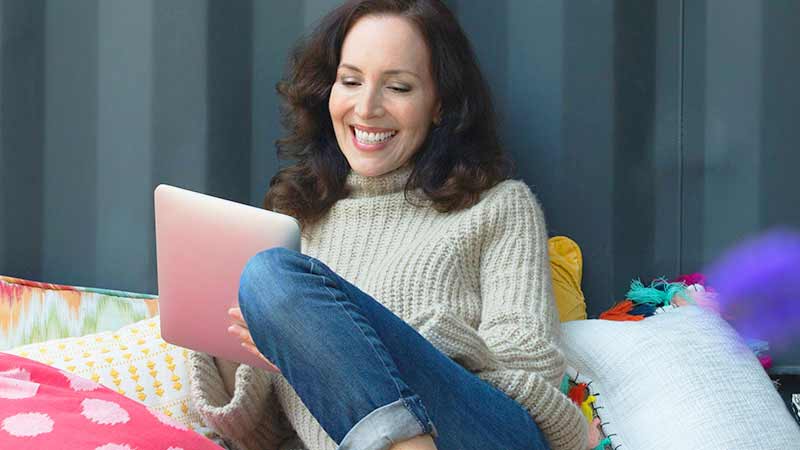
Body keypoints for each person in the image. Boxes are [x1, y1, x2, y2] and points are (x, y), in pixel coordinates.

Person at [188, 1, 588, 449]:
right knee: (264, 281)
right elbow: (267, 436)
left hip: (486, 432)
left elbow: (529, 365)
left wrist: (360, 343)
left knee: (270, 277)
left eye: (398, 87)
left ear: (439, 104)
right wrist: (260, 347)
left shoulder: (498, 207)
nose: (367, 107)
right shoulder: (297, 221)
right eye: (351, 81)